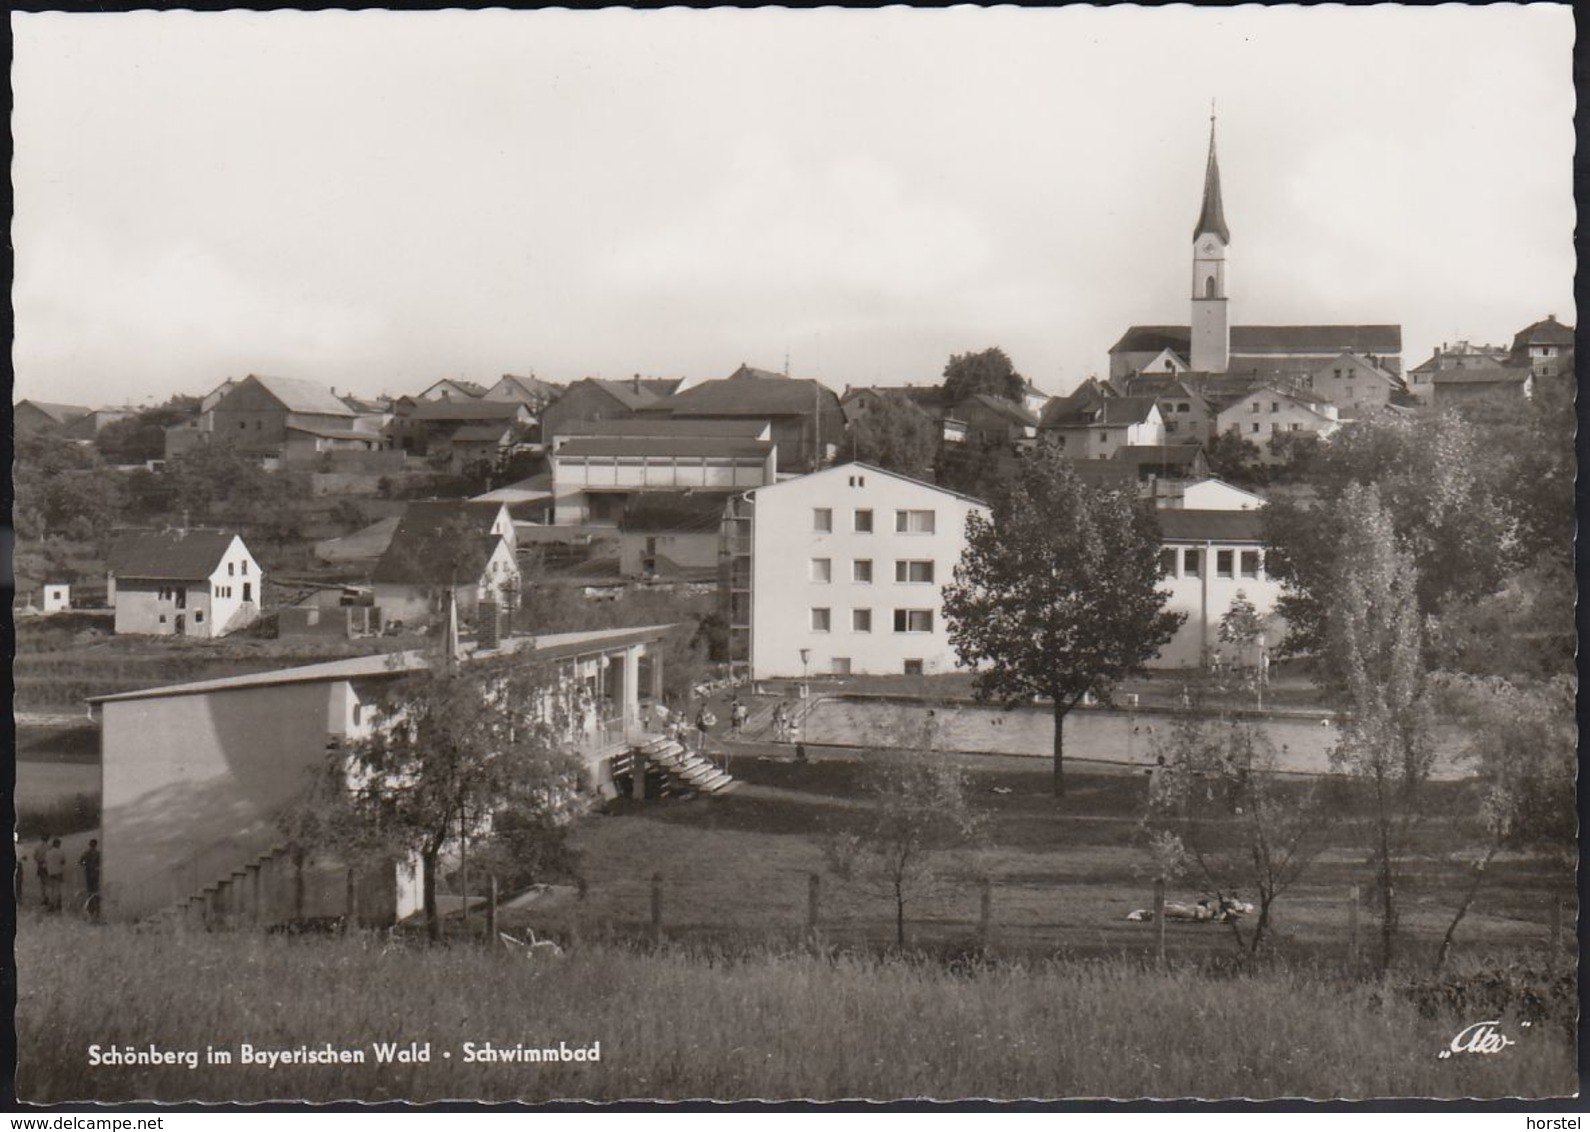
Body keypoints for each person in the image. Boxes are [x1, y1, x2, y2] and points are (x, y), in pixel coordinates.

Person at [79, 839, 101, 921]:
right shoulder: (98, 854)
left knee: (89, 891)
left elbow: (81, 862)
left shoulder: (86, 854)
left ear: (90, 845)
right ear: (96, 845)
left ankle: (91, 909)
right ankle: (97, 909)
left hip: (88, 873)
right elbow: (100, 863)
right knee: (96, 891)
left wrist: (86, 864)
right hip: (96, 874)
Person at [44, 837, 67, 913]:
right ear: (58, 844)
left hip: (50, 872)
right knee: (57, 889)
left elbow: (45, 863)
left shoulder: (48, 852)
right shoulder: (61, 852)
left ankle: (51, 904)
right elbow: (63, 862)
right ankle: (57, 904)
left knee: (51, 889)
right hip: (58, 872)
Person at [33, 834, 50, 909]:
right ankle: (48, 897)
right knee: (49, 882)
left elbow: (34, 856)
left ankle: (44, 898)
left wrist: (39, 861)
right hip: (48, 865)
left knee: (42, 883)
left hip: (40, 865)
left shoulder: (37, 847)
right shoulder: (49, 847)